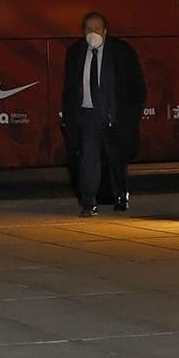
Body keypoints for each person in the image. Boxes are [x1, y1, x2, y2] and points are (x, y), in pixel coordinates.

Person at [61, 12, 147, 217]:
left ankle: (121, 194)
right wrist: (68, 116)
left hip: (114, 115)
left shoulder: (121, 52)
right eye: (88, 30)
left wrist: (130, 115)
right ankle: (89, 201)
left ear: (105, 31)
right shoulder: (75, 53)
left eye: (97, 29)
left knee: (117, 158)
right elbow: (69, 88)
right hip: (87, 114)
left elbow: (136, 86)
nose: (93, 34)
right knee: (89, 157)